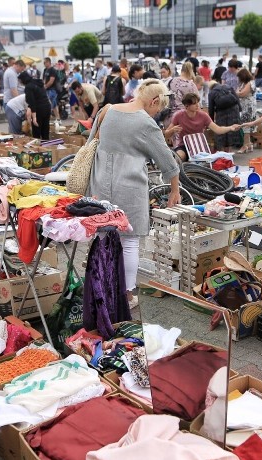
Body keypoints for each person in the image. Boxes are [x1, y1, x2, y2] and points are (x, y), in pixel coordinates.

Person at [88, 78, 180, 309]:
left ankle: (103, 290)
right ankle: (127, 296)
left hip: (100, 184)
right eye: (159, 107)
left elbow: (90, 143)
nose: (157, 112)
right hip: (129, 187)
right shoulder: (145, 123)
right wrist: (175, 188)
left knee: (103, 237)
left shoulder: (108, 110)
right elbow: (166, 160)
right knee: (129, 242)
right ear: (154, 100)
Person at [169, 92, 240, 160]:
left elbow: (218, 129)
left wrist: (230, 128)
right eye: (194, 103)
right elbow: (166, 133)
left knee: (209, 160)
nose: (197, 105)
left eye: (198, 102)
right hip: (183, 145)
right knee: (179, 157)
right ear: (186, 106)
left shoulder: (203, 115)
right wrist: (172, 130)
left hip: (199, 146)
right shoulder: (178, 115)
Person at [208, 82, 242, 153]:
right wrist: (240, 110)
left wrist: (210, 121)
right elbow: (237, 98)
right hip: (234, 110)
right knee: (231, 129)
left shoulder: (211, 93)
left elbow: (211, 108)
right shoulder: (228, 87)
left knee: (221, 131)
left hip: (221, 113)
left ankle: (222, 151)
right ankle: (229, 151)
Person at [17, 71, 51, 140]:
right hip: (47, 107)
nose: (20, 82)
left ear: (23, 79)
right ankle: (47, 146)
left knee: (36, 132)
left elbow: (32, 102)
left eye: (20, 81)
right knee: (45, 129)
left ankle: (38, 148)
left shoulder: (29, 87)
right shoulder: (38, 82)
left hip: (39, 109)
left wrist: (34, 118)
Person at [236, 68, 257, 153]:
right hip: (244, 107)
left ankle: (245, 146)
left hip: (248, 108)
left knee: (246, 126)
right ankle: (249, 144)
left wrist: (235, 92)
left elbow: (242, 93)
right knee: (246, 126)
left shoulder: (249, 83)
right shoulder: (244, 83)